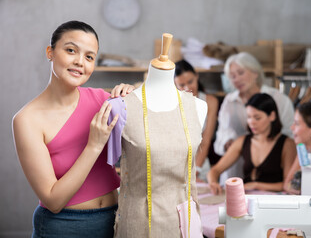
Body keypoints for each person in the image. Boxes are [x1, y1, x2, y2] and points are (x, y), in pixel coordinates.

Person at [12, 20, 133, 238]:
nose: (80, 62)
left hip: (116, 220)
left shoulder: (104, 101)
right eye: (70, 50)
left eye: (89, 57)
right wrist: (94, 146)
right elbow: (53, 200)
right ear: (50, 52)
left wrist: (133, 98)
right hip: (63, 226)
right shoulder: (27, 120)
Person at [114, 34, 207, 237]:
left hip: (185, 222)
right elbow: (108, 164)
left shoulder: (198, 106)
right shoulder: (122, 105)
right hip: (138, 222)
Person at [213, 52, 294, 184]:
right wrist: (228, 143)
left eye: (241, 73)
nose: (236, 79)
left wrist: (261, 147)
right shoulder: (229, 101)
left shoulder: (280, 99)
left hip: (270, 174)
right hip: (234, 170)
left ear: (255, 73)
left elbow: (290, 137)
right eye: (232, 76)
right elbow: (221, 136)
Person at [207, 93, 297, 195]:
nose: (251, 122)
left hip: (274, 201)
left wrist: (255, 185)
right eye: (249, 117)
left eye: (257, 118)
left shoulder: (287, 144)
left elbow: (288, 184)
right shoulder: (243, 141)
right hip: (246, 200)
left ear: (272, 116)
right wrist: (213, 183)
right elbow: (215, 170)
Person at [174, 59, 219, 181]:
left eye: (190, 81)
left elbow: (205, 141)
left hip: (200, 166)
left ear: (197, 76)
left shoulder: (211, 102)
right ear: (174, 84)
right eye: (182, 85)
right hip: (174, 167)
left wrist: (195, 171)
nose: (188, 87)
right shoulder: (171, 104)